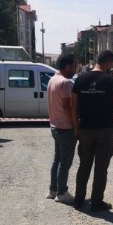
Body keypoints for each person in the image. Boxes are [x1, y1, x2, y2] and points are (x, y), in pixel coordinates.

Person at [71, 50, 113, 211]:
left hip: (85, 129)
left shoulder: (80, 79)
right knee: (101, 167)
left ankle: (79, 199)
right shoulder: (111, 81)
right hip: (105, 130)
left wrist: (76, 126)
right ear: (108, 63)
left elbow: (73, 106)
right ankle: (96, 202)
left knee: (84, 165)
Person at [46, 52, 78, 203]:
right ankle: (62, 192)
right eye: (74, 66)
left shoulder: (52, 80)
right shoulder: (64, 83)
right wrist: (75, 125)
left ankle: (53, 190)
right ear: (67, 67)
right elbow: (67, 107)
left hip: (55, 126)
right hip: (65, 128)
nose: (76, 70)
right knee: (65, 162)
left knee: (57, 160)